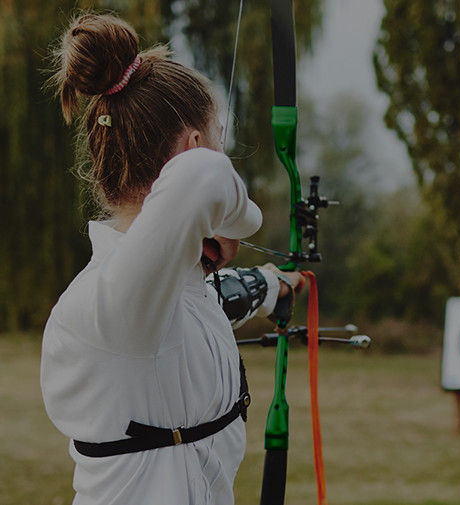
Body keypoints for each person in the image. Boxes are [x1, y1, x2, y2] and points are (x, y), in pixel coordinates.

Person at [41, 12, 302, 505]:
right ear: (193, 147)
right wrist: (236, 221)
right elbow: (202, 176)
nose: (224, 157)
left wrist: (274, 285)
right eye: (219, 138)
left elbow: (214, 303)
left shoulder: (170, 290)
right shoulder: (112, 305)